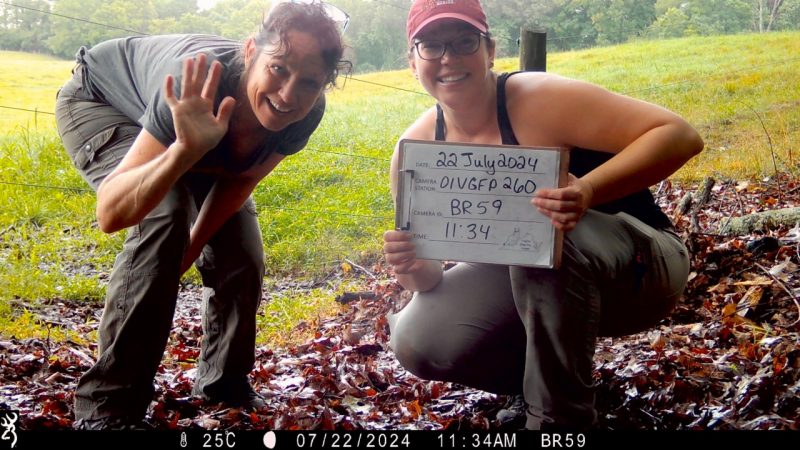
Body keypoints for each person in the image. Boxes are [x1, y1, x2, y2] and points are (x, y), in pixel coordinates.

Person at [383, 0, 704, 429]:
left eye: (464, 42)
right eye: (431, 45)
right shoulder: (414, 151)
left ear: (490, 49)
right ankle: (539, 383)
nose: (448, 58)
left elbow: (680, 136)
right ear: (412, 61)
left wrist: (589, 189)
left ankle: (558, 421)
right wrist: (411, 267)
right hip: (533, 281)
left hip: (641, 266)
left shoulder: (537, 99)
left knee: (542, 237)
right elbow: (428, 277)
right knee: (417, 338)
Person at [55, 0, 350, 430]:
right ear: (251, 52)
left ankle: (223, 383)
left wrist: (188, 252)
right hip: (102, 101)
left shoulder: (306, 112)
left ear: (325, 84)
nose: (289, 95)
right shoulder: (198, 81)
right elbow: (111, 211)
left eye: (309, 83)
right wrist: (183, 151)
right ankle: (107, 408)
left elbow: (239, 181)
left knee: (242, 252)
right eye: (279, 69)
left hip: (194, 139)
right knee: (163, 220)